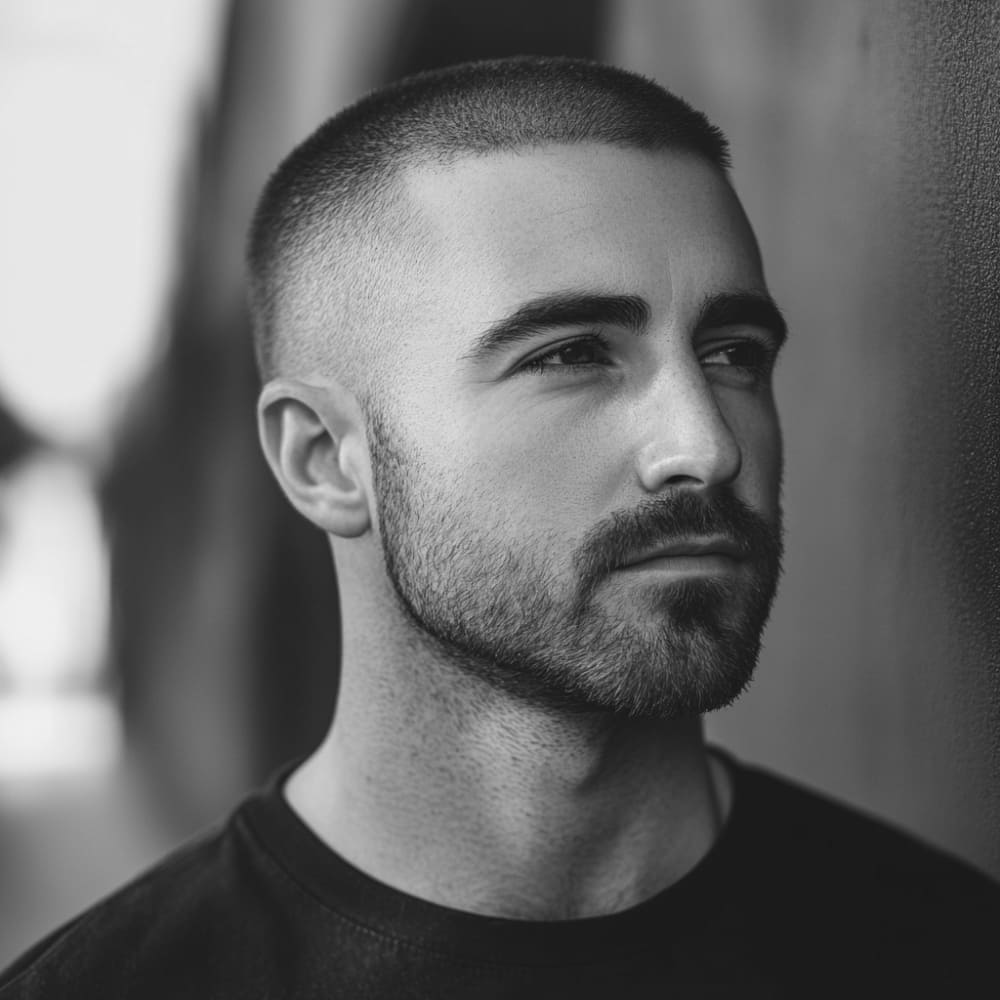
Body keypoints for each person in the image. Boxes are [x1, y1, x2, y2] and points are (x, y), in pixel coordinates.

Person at [2, 55, 997, 998]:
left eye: (732, 352)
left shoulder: (949, 949)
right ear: (325, 459)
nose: (704, 446)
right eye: (570, 355)